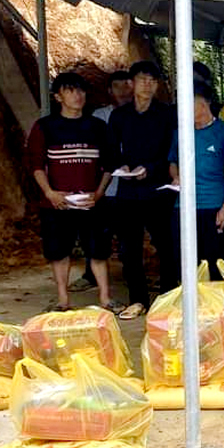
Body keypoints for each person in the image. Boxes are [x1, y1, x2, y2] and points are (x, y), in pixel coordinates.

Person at [25, 72, 121, 313]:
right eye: (70, 91)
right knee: (58, 251)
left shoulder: (97, 126)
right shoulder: (45, 126)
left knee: (98, 251)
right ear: (58, 96)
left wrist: (99, 194)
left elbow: (110, 163)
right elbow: (36, 164)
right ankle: (62, 299)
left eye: (81, 91)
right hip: (57, 203)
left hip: (91, 201)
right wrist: (50, 193)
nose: (78, 96)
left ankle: (106, 298)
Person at [107, 60, 175, 320]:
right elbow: (110, 151)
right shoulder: (120, 115)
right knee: (128, 249)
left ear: (157, 85)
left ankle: (168, 299)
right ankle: (137, 299)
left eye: (152, 80)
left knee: (166, 246)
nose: (147, 85)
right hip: (128, 191)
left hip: (159, 190)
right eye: (142, 79)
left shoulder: (166, 114)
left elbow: (173, 151)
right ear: (131, 84)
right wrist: (121, 165)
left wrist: (151, 168)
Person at [70, 70, 133, 293]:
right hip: (102, 188)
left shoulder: (137, 114)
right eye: (118, 87)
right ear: (109, 91)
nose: (124, 91)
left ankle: (131, 273)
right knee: (96, 234)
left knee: (128, 235)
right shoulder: (99, 116)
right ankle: (90, 274)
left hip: (129, 188)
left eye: (127, 86)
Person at [166, 80, 224, 279]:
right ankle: (190, 308)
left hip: (213, 207)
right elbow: (172, 161)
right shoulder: (180, 133)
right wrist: (176, 176)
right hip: (183, 207)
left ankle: (213, 309)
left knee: (214, 264)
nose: (182, 110)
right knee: (184, 263)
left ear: (203, 105)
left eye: (187, 104)